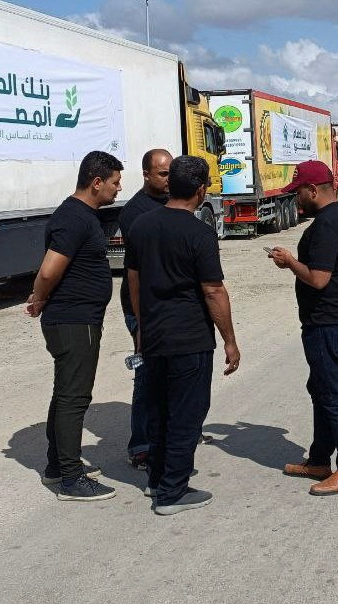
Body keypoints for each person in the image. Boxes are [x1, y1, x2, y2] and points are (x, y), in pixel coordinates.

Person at [125, 156, 240, 515]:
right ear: (201, 189)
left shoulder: (142, 225)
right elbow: (213, 290)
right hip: (189, 338)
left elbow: (133, 281)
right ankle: (173, 492)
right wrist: (230, 341)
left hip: (155, 335)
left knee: (158, 409)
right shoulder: (199, 232)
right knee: (187, 413)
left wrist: (142, 327)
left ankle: (157, 479)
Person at [26, 151, 123, 502]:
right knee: (74, 398)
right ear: (96, 182)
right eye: (114, 182)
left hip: (77, 318)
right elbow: (50, 269)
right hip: (73, 320)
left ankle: (56, 466)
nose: (118, 188)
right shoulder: (74, 218)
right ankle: (71, 478)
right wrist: (38, 299)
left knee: (65, 393)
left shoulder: (81, 216)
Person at [268, 161, 338, 496]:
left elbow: (319, 278)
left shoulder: (326, 226)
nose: (295, 199)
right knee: (321, 389)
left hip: (329, 322)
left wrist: (289, 262)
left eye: (297, 192)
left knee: (335, 393)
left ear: (313, 190)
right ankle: (320, 460)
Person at [117, 148, 173, 470]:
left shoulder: (172, 202)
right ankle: (141, 444)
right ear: (146, 175)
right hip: (142, 306)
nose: (168, 180)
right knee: (146, 374)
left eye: (170, 174)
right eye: (162, 174)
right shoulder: (136, 212)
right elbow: (139, 271)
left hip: (167, 304)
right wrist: (140, 318)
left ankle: (169, 434)